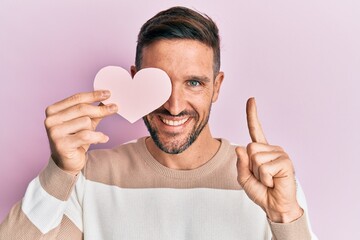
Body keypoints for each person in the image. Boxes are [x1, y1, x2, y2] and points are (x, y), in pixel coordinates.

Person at [0, 6, 317, 240]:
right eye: (160, 82)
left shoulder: (268, 183)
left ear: (216, 87)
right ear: (135, 79)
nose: (174, 106)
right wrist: (59, 171)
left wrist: (286, 217)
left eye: (193, 83)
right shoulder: (91, 177)